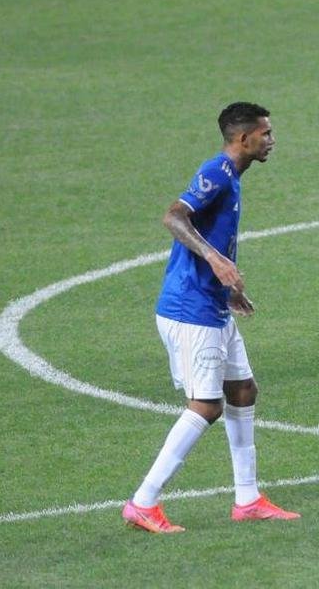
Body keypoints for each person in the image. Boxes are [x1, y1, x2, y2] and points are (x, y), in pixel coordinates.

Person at [122, 102, 299, 534]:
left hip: (213, 304)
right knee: (206, 405)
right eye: (266, 134)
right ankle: (143, 502)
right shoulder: (218, 172)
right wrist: (215, 260)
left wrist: (229, 287)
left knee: (243, 390)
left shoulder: (233, 178)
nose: (272, 140)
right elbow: (173, 216)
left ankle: (248, 498)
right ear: (244, 139)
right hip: (190, 311)